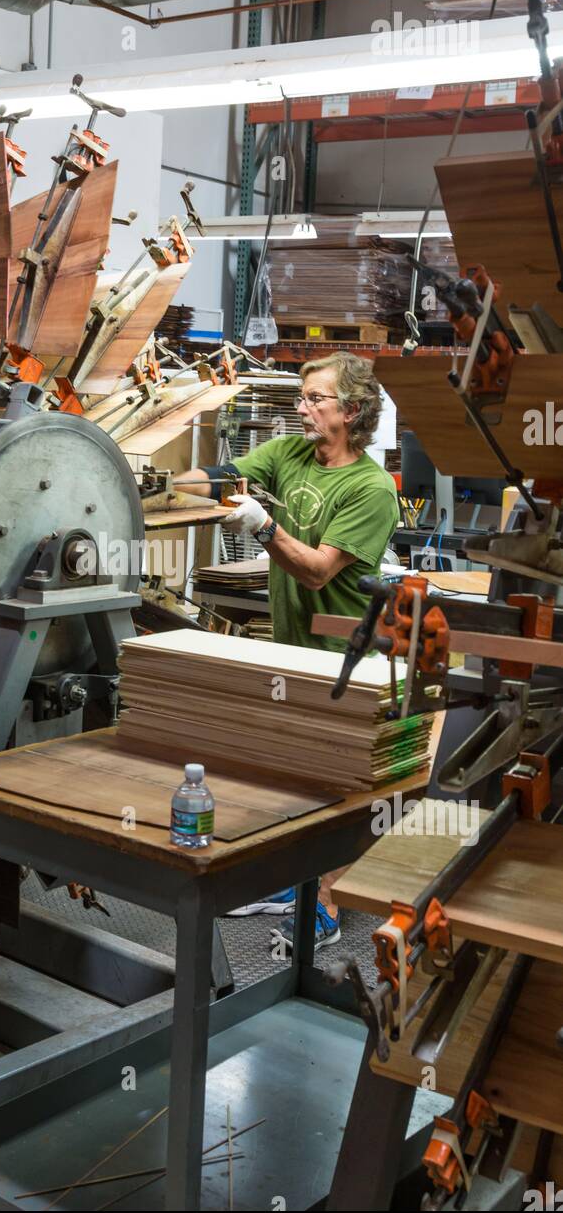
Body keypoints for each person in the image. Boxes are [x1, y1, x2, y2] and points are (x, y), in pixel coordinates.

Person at [174, 351, 399, 949]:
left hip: (345, 660)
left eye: (314, 399)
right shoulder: (289, 454)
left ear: (350, 411)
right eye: (302, 397)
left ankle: (324, 902)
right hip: (291, 653)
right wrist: (156, 483)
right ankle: (288, 882)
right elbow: (223, 475)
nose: (301, 408)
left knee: (345, 787)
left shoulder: (372, 489)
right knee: (291, 773)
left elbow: (320, 572)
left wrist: (262, 527)